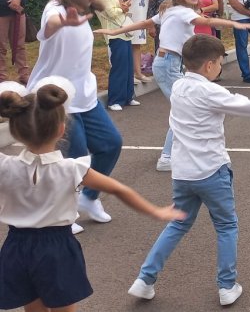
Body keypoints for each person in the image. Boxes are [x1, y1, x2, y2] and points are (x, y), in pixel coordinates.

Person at [127, 35, 250, 306]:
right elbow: (247, 106)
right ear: (210, 65)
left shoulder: (178, 86)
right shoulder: (210, 91)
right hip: (212, 169)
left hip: (183, 173)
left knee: (177, 225)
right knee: (226, 226)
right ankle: (226, 285)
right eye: (220, 63)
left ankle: (144, 279)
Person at [0, 80, 184, 312]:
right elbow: (118, 189)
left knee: (33, 308)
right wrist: (155, 211)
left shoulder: (5, 166)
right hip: (56, 248)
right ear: (61, 129)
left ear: (14, 130)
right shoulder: (72, 169)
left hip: (16, 247)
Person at [95, 0, 250, 172]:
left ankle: (174, 151)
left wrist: (116, 30)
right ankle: (167, 157)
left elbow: (144, 23)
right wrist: (235, 24)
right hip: (168, 64)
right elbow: (207, 21)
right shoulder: (183, 12)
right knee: (183, 110)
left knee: (183, 109)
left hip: (168, 63)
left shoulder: (170, 11)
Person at [28, 0, 124, 235]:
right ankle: (62, 210)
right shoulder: (55, 9)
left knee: (111, 144)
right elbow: (48, 26)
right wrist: (63, 22)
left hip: (85, 97)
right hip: (55, 99)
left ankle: (89, 198)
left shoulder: (83, 10)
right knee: (76, 156)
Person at [110, 0, 152, 84]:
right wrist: (123, 5)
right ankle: (129, 75)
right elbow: (116, 1)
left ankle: (138, 73)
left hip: (140, 17)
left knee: (137, 45)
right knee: (127, 46)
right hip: (126, 18)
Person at [95, 0, 137, 112]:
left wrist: (122, 7)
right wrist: (122, 8)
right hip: (115, 33)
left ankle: (127, 96)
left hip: (121, 31)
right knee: (120, 67)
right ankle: (115, 100)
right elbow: (111, 12)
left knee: (128, 66)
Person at [0, 0, 29, 84]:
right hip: (1, 14)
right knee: (0, 47)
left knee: (19, 45)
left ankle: (24, 75)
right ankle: (2, 78)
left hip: (17, 13)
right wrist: (9, 4)